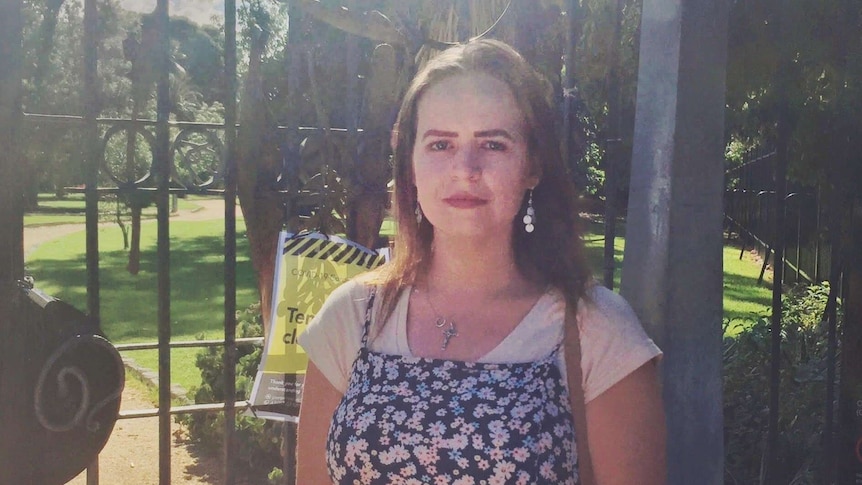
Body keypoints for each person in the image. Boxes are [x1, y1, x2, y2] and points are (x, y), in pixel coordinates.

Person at [296, 39, 666, 484]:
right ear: (410, 166)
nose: (465, 168)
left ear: (532, 166)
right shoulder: (350, 318)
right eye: (440, 145)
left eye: (492, 144)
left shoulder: (598, 332)